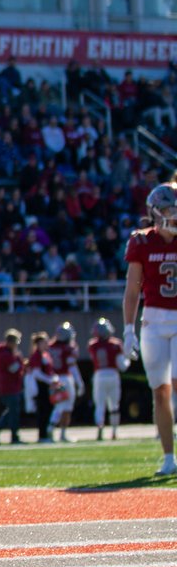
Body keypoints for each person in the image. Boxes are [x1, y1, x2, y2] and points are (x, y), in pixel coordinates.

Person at [123, 183, 177, 475]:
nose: (176, 215)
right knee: (160, 393)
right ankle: (169, 457)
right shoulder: (141, 242)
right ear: (156, 212)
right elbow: (132, 290)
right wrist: (128, 328)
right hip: (153, 322)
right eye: (171, 210)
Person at [88, 318, 129, 442]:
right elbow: (122, 366)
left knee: (100, 405)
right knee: (114, 405)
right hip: (112, 374)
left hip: (99, 375)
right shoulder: (115, 344)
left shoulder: (92, 345)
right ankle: (114, 432)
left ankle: (100, 427)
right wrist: (128, 359)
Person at [47, 321, 84, 443]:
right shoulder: (69, 348)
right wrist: (80, 382)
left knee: (59, 406)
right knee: (66, 407)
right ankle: (59, 432)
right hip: (65, 379)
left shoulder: (50, 347)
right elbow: (72, 366)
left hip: (53, 379)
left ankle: (51, 429)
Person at [0, 329, 27, 446]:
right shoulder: (5, 354)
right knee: (13, 412)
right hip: (8, 387)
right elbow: (14, 369)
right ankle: (12, 435)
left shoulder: (8, 354)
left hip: (13, 386)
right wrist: (21, 361)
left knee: (12, 411)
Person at [24, 332, 57, 443]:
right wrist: (50, 381)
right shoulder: (36, 355)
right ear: (38, 343)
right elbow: (37, 373)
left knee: (49, 410)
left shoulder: (46, 355)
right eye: (44, 342)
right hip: (40, 387)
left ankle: (47, 434)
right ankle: (42, 435)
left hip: (47, 386)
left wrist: (54, 379)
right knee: (43, 411)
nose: (47, 344)